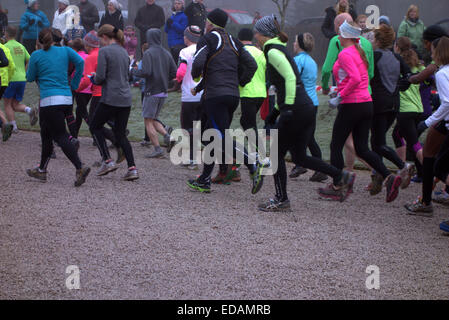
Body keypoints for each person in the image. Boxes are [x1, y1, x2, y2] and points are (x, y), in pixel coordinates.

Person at [252, 15, 355, 211]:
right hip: (305, 106)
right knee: (300, 157)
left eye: (256, 32)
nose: (255, 35)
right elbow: (283, 85)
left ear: (262, 34)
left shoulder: (272, 51)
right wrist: (275, 111)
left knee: (276, 154)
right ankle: (341, 176)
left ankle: (281, 199)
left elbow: (291, 79)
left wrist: (287, 108)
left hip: (297, 109)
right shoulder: (276, 48)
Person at [324, 20, 402, 203]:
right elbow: (359, 77)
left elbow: (356, 78)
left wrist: (340, 95)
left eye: (340, 33)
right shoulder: (359, 51)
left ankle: (337, 185)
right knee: (362, 148)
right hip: (366, 103)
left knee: (335, 145)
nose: (338, 36)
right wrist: (339, 90)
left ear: (345, 36)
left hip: (352, 104)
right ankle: (389, 177)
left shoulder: (345, 53)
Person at [187, 8, 262, 195]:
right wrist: (239, 81)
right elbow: (251, 64)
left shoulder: (209, 38)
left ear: (210, 23)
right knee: (210, 135)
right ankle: (205, 179)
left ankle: (252, 163)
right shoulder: (235, 41)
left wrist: (196, 76)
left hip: (215, 98)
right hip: (231, 96)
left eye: (206, 22)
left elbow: (198, 63)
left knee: (219, 137)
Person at [26, 28, 90, 187]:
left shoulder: (36, 55)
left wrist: (36, 60)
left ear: (40, 41)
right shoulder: (66, 50)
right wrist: (74, 84)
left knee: (60, 136)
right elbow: (81, 62)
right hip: (66, 97)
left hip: (49, 100)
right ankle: (41, 169)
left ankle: (80, 167)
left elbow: (29, 78)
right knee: (46, 134)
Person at [404, 25, 449, 214]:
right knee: (430, 154)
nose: (429, 52)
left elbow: (447, 102)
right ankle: (425, 201)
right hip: (443, 120)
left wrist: (428, 122)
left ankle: (427, 201)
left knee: (439, 166)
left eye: (431, 49)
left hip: (445, 120)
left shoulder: (440, 71)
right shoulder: (440, 71)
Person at [321, 13, 374, 173]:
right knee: (359, 144)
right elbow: (370, 73)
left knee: (342, 141)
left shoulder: (338, 44)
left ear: (341, 29)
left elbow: (326, 69)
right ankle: (379, 172)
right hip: (366, 96)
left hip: (351, 98)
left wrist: (332, 91)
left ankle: (345, 177)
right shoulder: (366, 44)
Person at [369, 26, 415, 194]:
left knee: (378, 144)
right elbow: (409, 76)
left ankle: (403, 166)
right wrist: (399, 87)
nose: (372, 42)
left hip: (378, 105)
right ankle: (379, 178)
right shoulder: (397, 58)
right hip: (394, 105)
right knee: (377, 142)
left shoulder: (375, 56)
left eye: (374, 39)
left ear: (379, 41)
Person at [89, 24, 139, 181]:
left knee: (94, 125)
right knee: (120, 133)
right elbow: (128, 76)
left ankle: (107, 160)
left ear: (104, 37)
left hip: (111, 96)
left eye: (100, 39)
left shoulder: (105, 51)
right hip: (125, 98)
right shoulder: (124, 52)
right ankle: (132, 168)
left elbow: (101, 77)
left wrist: (93, 78)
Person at [132, 28, 177, 159]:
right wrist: (164, 79)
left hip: (151, 90)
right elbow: (174, 73)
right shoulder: (167, 53)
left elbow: (146, 72)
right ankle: (168, 136)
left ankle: (157, 149)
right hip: (163, 91)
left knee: (147, 120)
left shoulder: (148, 53)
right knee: (153, 118)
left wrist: (132, 72)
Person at [289, 32, 328, 183]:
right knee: (309, 137)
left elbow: (292, 79)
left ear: (299, 44)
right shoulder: (312, 61)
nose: (293, 44)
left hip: (301, 103)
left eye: (294, 42)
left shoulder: (297, 60)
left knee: (293, 134)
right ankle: (320, 169)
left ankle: (299, 164)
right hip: (313, 103)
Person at [175, 25, 203, 169]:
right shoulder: (204, 49)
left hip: (188, 95)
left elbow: (181, 72)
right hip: (203, 94)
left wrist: (177, 80)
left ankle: (191, 159)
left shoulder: (184, 51)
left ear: (188, 37)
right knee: (200, 127)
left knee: (187, 128)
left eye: (185, 36)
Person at [3, 26, 38, 133]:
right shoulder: (20, 46)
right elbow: (29, 59)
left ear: (7, 34)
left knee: (7, 104)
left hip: (10, 78)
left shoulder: (5, 47)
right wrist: (24, 71)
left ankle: (14, 127)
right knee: (15, 104)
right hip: (21, 79)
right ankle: (29, 110)